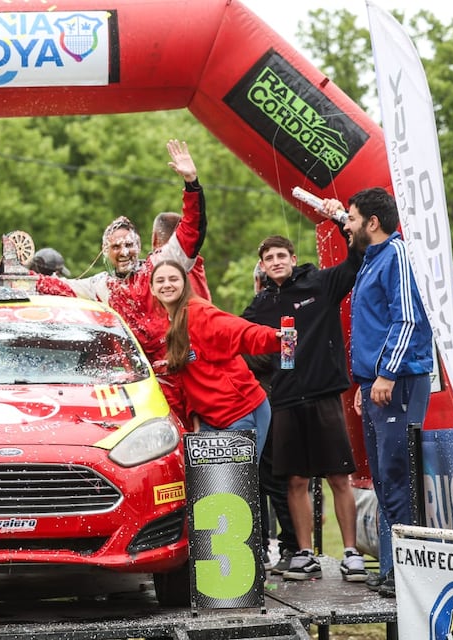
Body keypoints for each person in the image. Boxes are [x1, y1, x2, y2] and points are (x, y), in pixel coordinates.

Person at [0, 139, 206, 370]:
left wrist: (191, 183)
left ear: (139, 245)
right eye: (116, 247)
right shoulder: (100, 286)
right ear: (105, 252)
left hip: (183, 365)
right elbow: (47, 285)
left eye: (129, 245)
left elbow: (191, 229)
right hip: (144, 378)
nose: (124, 252)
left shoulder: (159, 267)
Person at [242, 227, 366, 583]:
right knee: (295, 480)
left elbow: (355, 261)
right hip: (284, 399)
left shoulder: (320, 284)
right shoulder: (262, 303)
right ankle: (304, 553)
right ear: (262, 267)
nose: (276, 262)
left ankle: (351, 553)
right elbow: (235, 335)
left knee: (338, 477)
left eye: (282, 256)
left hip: (323, 394)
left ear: (293, 259)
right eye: (269, 259)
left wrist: (348, 228)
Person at [344, 187, 434, 598]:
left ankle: (408, 575)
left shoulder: (395, 255)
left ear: (372, 222)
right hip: (376, 384)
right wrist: (367, 381)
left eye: (351, 217)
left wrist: (386, 373)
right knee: (382, 479)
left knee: (397, 477)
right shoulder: (371, 259)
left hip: (398, 382)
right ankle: (394, 568)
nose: (347, 224)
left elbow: (407, 320)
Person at [149, 259, 280, 454]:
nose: (167, 284)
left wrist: (273, 337)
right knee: (211, 485)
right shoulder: (171, 322)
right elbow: (194, 367)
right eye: (160, 280)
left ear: (185, 283)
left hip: (240, 413)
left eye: (173, 279)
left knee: (235, 484)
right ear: (151, 288)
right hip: (209, 421)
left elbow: (237, 331)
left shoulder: (199, 313)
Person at [242, 262, 298, 575]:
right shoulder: (256, 309)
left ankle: (289, 544)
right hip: (264, 403)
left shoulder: (286, 311)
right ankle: (262, 545)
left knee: (276, 481)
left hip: (277, 401)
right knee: (261, 480)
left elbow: (284, 357)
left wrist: (245, 353)